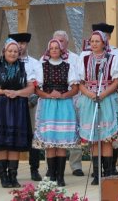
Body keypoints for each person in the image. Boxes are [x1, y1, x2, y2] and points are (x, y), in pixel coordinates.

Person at [0, 38, 34, 188]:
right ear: (4, 51)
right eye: (9, 51)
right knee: (0, 143)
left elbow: (31, 88)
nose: (12, 53)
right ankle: (3, 178)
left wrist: (17, 92)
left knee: (14, 143)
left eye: (15, 51)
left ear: (19, 53)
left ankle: (13, 176)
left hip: (18, 107)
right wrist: (3, 91)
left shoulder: (25, 68)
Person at [33, 39, 80, 187]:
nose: (54, 50)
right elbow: (37, 89)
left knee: (61, 142)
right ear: (48, 50)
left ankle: (60, 177)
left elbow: (75, 87)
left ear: (61, 50)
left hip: (64, 105)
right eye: (51, 48)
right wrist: (48, 95)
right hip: (48, 105)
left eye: (56, 48)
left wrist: (64, 95)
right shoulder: (42, 66)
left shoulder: (68, 66)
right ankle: (52, 175)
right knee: (50, 142)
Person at [78, 30, 118, 185]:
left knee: (106, 138)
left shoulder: (113, 58)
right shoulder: (83, 59)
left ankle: (108, 173)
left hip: (107, 98)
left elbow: (116, 81)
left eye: (97, 41)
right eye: (92, 41)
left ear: (104, 43)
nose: (94, 44)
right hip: (90, 99)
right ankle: (97, 174)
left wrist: (103, 94)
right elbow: (80, 83)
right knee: (95, 138)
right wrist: (90, 94)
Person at [8, 32, 43, 182]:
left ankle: (34, 169)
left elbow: (39, 82)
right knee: (12, 134)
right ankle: (10, 171)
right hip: (12, 103)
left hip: (31, 102)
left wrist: (33, 98)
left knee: (33, 135)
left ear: (27, 45)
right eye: (17, 44)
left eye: (23, 44)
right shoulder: (6, 63)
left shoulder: (34, 63)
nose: (20, 47)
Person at [51, 30, 85, 177]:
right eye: (56, 41)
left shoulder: (75, 58)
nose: (59, 44)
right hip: (52, 101)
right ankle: (52, 168)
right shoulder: (45, 60)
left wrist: (65, 93)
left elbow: (78, 79)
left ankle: (76, 165)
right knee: (53, 134)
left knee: (73, 132)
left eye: (62, 41)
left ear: (67, 42)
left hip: (72, 99)